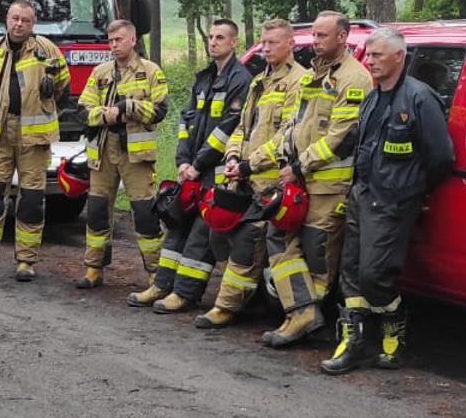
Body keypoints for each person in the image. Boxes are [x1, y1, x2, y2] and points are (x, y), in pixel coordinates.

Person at [321, 27, 454, 375]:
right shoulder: (372, 97)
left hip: (394, 202)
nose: (371, 60)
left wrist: (413, 191)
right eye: (368, 53)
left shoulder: (419, 100)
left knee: (373, 274)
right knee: (349, 273)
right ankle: (355, 344)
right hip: (362, 196)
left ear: (399, 56)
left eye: (378, 54)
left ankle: (394, 321)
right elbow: (358, 145)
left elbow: (441, 158)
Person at [262, 11, 371, 348]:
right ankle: (302, 312)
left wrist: (299, 166)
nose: (316, 41)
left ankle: (303, 318)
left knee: (317, 255)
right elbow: (294, 126)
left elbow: (340, 137)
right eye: (314, 35)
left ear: (342, 37)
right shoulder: (313, 76)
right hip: (300, 180)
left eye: (323, 35)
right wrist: (279, 160)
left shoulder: (354, 79)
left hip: (329, 186)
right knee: (278, 238)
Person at [193, 18, 307, 330]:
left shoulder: (299, 82)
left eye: (274, 43)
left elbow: (287, 135)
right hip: (241, 178)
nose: (267, 48)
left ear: (291, 45)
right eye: (264, 42)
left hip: (269, 181)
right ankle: (251, 297)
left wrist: (249, 164)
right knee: (218, 234)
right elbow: (241, 128)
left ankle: (226, 307)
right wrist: (232, 156)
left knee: (246, 242)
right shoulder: (259, 81)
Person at [0, 0, 72, 283]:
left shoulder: (48, 51)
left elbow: (64, 88)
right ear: (7, 20)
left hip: (34, 140)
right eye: (15, 18)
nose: (19, 24)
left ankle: (26, 261)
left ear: (33, 25)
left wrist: (46, 92)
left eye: (26, 20)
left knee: (31, 201)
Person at [142, 19, 252, 311]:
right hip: (191, 170)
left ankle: (185, 293)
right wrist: (182, 160)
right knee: (177, 225)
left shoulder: (240, 79)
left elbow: (227, 129)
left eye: (220, 37)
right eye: (211, 37)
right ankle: (161, 285)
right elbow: (185, 121)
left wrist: (198, 164)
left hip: (214, 174)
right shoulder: (203, 77)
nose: (213, 41)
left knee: (201, 234)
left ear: (233, 43)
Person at [76, 19, 169, 290]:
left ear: (132, 40)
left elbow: (160, 110)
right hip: (103, 151)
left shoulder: (151, 72)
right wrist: (107, 114)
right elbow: (84, 110)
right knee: (97, 211)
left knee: (144, 213)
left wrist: (128, 107)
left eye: (118, 39)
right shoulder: (100, 72)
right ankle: (94, 268)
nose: (113, 45)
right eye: (110, 40)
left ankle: (155, 273)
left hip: (136, 156)